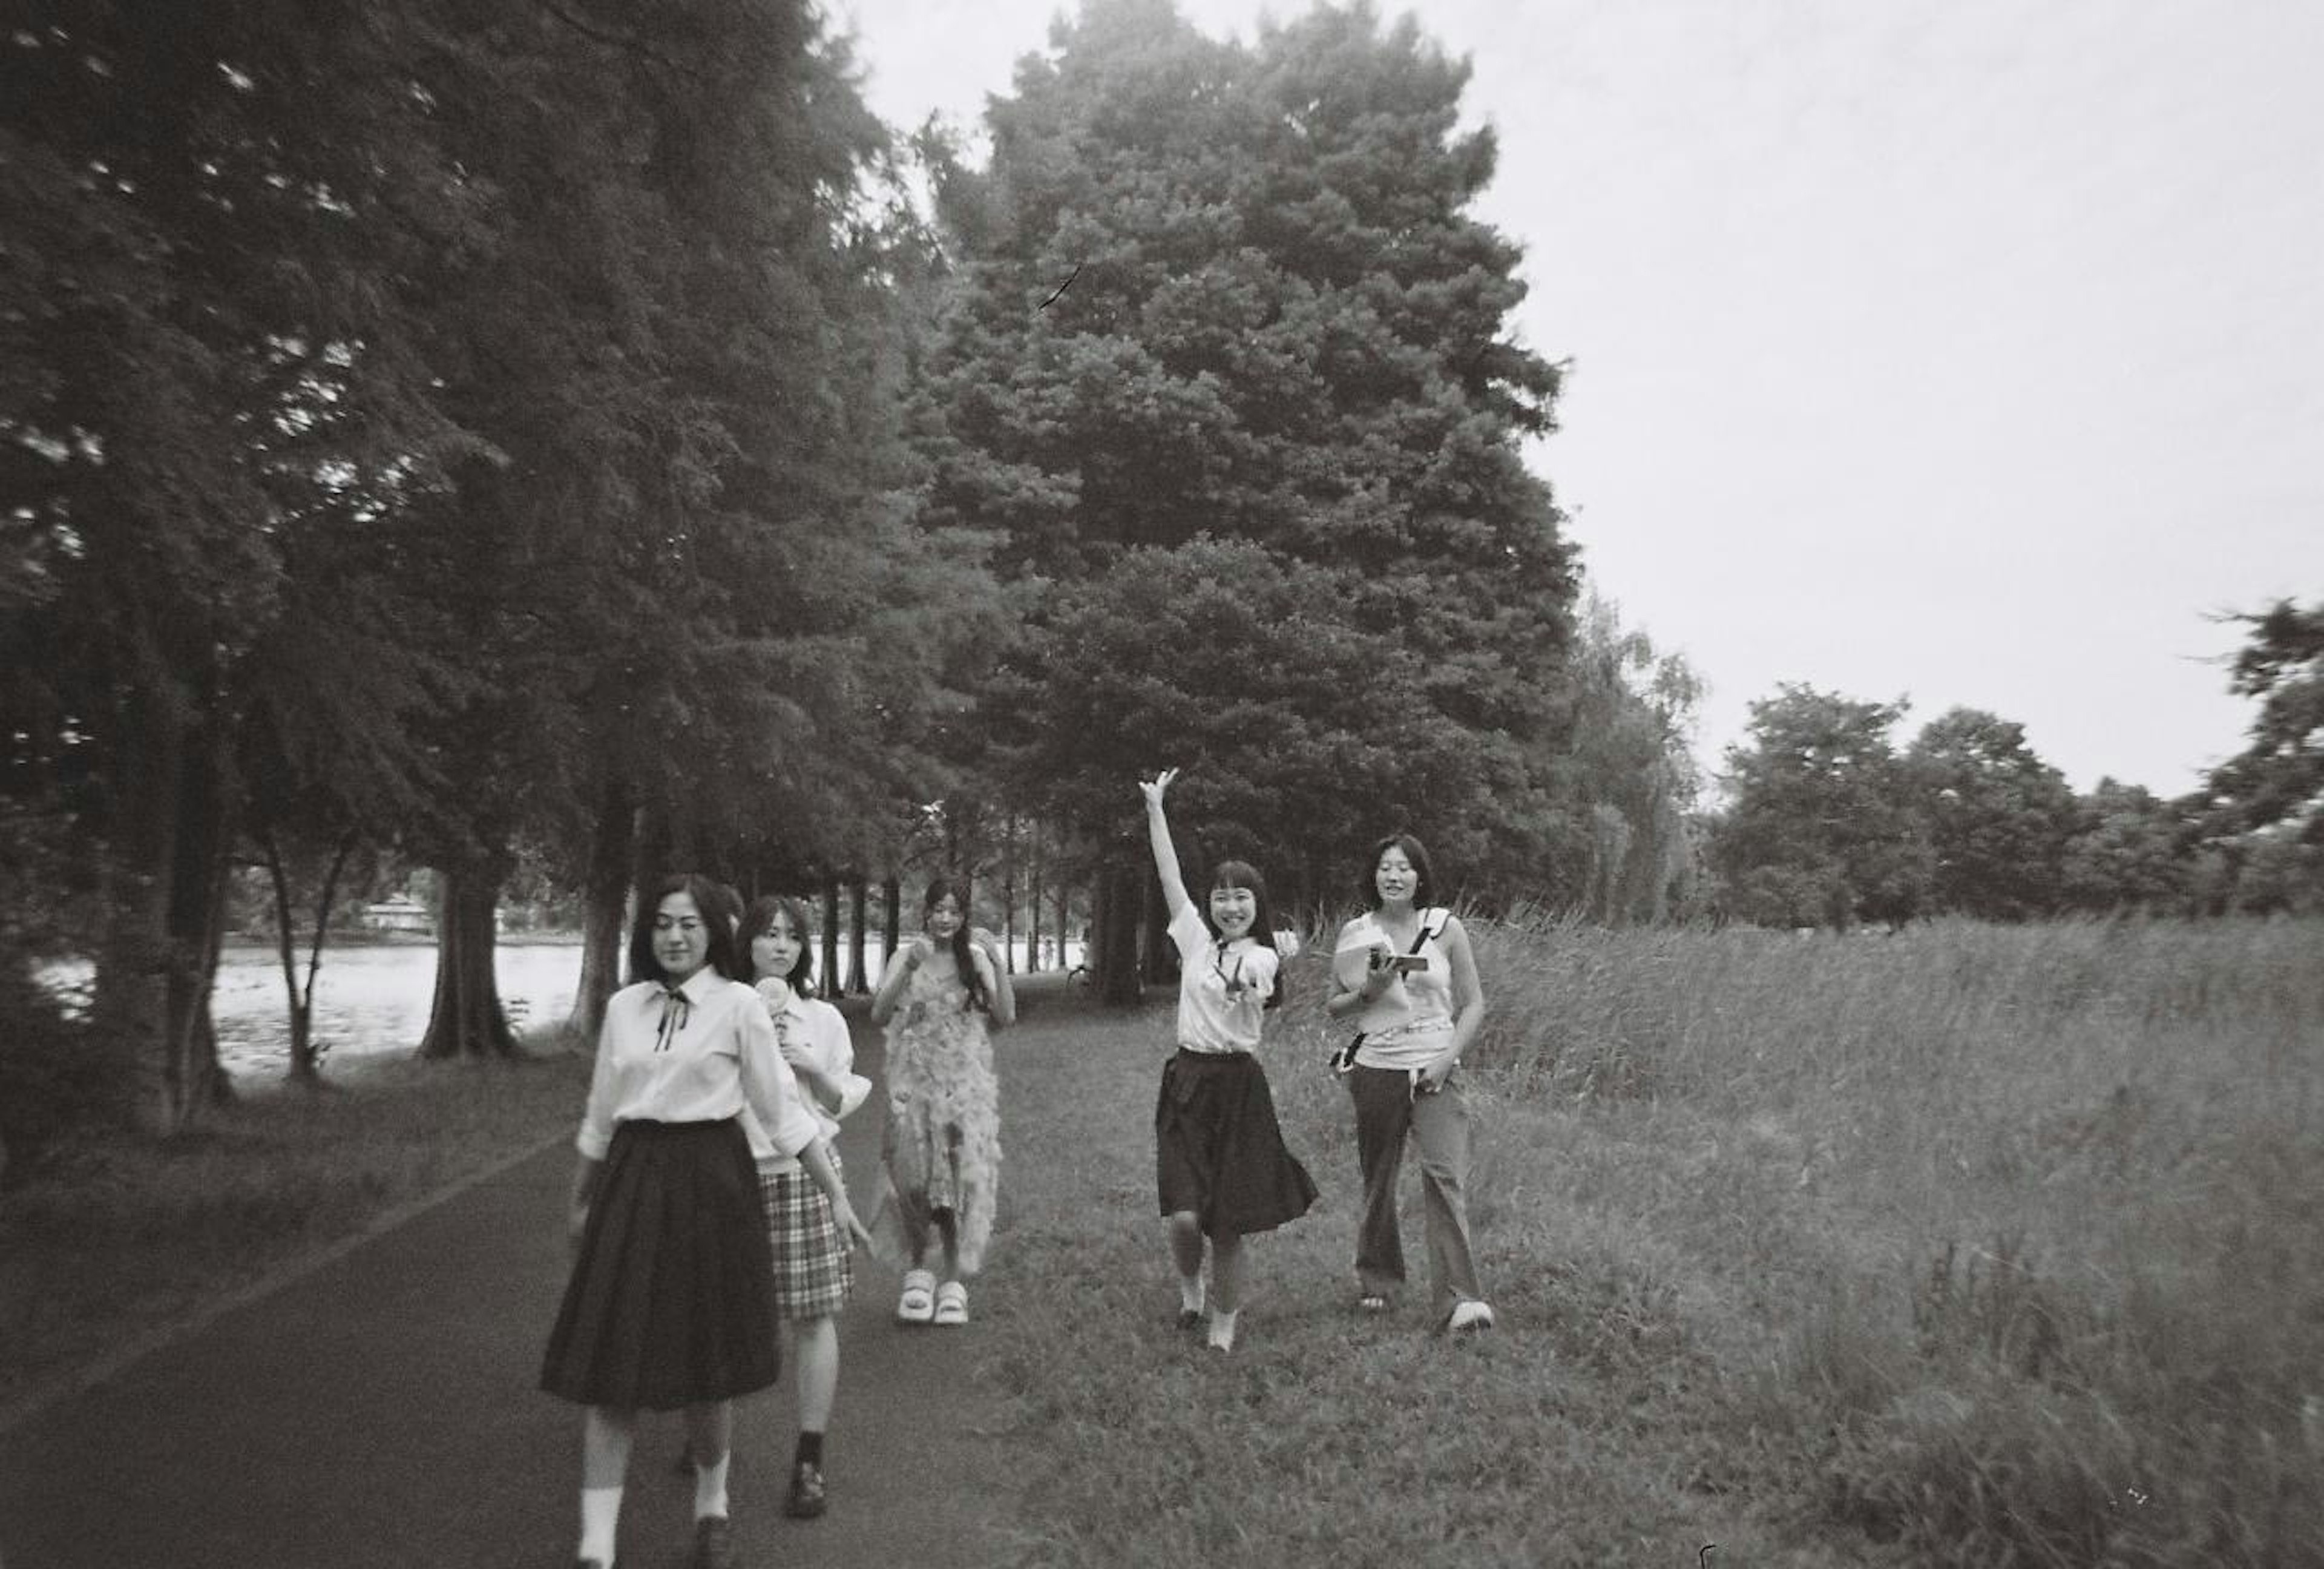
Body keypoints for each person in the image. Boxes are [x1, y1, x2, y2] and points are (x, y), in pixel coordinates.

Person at [540, 872, 864, 1569]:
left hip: (713, 1181)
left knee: (708, 1367)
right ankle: (596, 1546)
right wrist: (579, 1200)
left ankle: (713, 1508)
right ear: (646, 933)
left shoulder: (738, 1005)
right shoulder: (625, 1006)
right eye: (662, 923)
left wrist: (836, 1194)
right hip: (632, 1182)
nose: (675, 935)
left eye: (688, 923)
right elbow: (601, 1118)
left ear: (713, 932)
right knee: (610, 1361)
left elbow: (784, 1114)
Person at [1141, 768, 1318, 1353]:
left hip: (1238, 1089)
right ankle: (1191, 1288)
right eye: (1222, 894)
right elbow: (1169, 876)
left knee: (1229, 1222)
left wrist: (1247, 984)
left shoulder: (1263, 955)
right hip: (1187, 1081)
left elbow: (1259, 982)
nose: (1230, 904)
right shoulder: (1194, 940)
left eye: (1242, 895)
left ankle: (1224, 1321)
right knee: (1185, 1215)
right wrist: (1156, 810)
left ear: (1256, 904)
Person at [737, 894, 876, 1518]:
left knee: (814, 1317)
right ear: (746, 945)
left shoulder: (821, 1018)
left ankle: (809, 1456)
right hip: (733, 1177)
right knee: (729, 1314)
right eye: (769, 935)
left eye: (792, 936)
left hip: (805, 1175)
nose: (781, 946)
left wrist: (811, 1067)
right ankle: (706, 1429)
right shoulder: (724, 1011)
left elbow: (840, 1101)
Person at [1325, 834, 1494, 1332]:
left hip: (1436, 1068)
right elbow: (1335, 1007)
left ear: (1420, 876)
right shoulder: (1357, 932)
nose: (1393, 876)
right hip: (1378, 1065)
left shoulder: (1446, 928)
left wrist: (1447, 1060)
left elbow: (1474, 1003)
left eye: (1403, 868)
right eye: (1384, 867)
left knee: (1445, 1177)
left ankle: (1460, 1299)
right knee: (1379, 1175)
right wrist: (1369, 990)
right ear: (1372, 876)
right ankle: (1379, 1280)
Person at [867, 878, 1014, 1326]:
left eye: (954, 911)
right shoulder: (905, 955)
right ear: (926, 913)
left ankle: (950, 1280)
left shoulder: (974, 961)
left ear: (964, 917)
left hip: (963, 1089)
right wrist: (908, 969)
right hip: (913, 1086)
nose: (945, 918)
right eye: (938, 910)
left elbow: (1005, 1018)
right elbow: (878, 1014)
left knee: (954, 1184)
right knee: (910, 1180)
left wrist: (998, 965)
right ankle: (918, 1269)